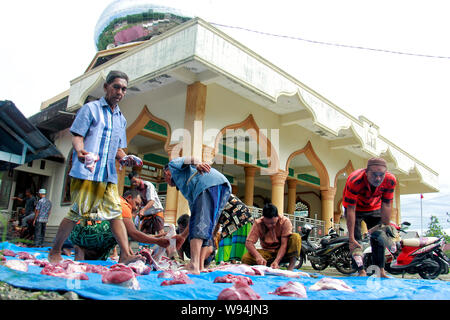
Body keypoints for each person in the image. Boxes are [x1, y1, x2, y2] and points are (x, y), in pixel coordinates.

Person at [48, 70, 142, 265]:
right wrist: (80, 151)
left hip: (107, 175)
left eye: (124, 89)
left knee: (115, 214)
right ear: (106, 87)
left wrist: (126, 159)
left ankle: (125, 254)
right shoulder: (90, 109)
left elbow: (117, 148)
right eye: (116, 87)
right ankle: (55, 251)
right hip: (86, 172)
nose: (120, 92)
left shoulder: (121, 119)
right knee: (76, 212)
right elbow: (77, 135)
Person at [164, 157, 231, 274]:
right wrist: (183, 236)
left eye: (165, 179)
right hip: (222, 186)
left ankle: (194, 265)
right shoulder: (189, 188)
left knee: (200, 225)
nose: (168, 184)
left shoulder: (173, 166)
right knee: (205, 225)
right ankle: (200, 266)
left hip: (207, 183)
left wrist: (198, 163)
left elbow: (189, 158)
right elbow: (193, 221)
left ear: (167, 173)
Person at [70, 189, 170, 260]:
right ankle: (124, 257)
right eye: (137, 203)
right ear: (129, 198)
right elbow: (132, 233)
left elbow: (130, 237)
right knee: (121, 229)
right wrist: (157, 241)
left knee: (100, 256)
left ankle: (82, 250)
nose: (137, 208)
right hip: (89, 230)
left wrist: (155, 237)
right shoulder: (123, 204)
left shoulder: (114, 201)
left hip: (78, 232)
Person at [342, 157, 397, 278]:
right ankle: (360, 271)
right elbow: (350, 209)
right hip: (355, 209)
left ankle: (380, 271)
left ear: (385, 173)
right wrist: (351, 238)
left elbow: (387, 203)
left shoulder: (390, 180)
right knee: (356, 241)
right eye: (374, 174)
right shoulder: (355, 180)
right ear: (366, 172)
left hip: (374, 208)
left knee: (379, 239)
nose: (378, 178)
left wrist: (385, 226)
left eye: (381, 175)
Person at [242, 203, 301, 271]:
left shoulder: (285, 222)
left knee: (296, 237)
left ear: (277, 217)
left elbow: (284, 244)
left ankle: (291, 268)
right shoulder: (258, 223)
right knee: (245, 258)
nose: (270, 226)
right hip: (268, 253)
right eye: (267, 223)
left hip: (283, 252)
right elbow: (249, 242)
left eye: (273, 223)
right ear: (263, 218)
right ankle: (268, 265)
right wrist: (258, 257)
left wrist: (277, 261)